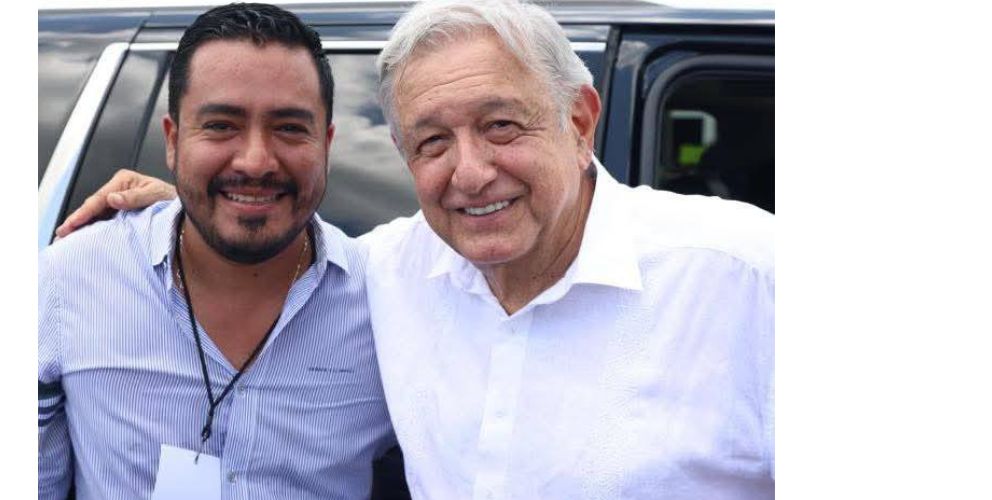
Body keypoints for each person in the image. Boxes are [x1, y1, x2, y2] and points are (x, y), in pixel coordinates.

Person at [61, 0, 774, 498]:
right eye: (432, 142)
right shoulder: (384, 273)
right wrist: (190, 203)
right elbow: (262, 234)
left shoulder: (750, 277)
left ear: (580, 122)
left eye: (501, 125)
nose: (471, 172)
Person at [38, 4, 396, 499]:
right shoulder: (69, 279)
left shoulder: (389, 303)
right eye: (222, 125)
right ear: (172, 141)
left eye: (290, 128)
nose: (255, 161)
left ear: (326, 144)